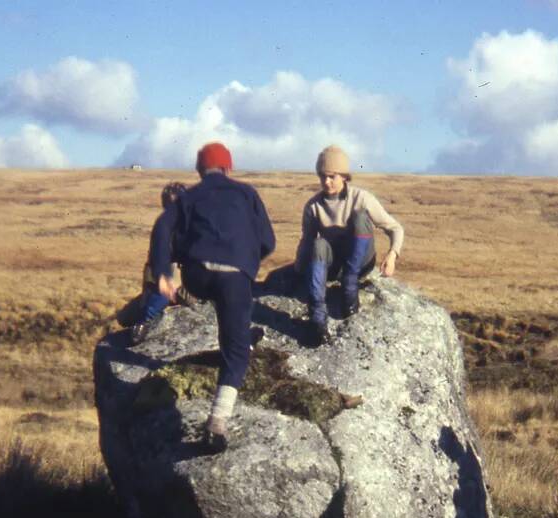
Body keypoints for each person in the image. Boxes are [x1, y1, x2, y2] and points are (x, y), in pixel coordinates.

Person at [143, 141, 275, 452]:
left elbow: (162, 228)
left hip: (197, 276)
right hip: (234, 277)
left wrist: (164, 272)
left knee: (215, 298)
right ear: (229, 168)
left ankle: (229, 323)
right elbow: (268, 241)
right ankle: (217, 422)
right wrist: (246, 259)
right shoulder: (247, 193)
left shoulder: (190, 196)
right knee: (237, 352)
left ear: (200, 171)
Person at [295, 145, 404, 345]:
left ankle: (350, 287)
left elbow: (395, 228)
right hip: (334, 266)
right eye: (322, 176)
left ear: (344, 176)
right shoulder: (313, 206)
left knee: (361, 218)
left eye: (332, 176)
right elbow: (307, 242)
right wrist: (299, 270)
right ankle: (318, 319)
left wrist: (392, 255)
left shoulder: (361, 198)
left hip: (360, 263)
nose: (326, 182)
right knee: (318, 244)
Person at [122, 181, 189, 331]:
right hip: (166, 284)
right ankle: (143, 324)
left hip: (184, 284)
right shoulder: (168, 226)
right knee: (156, 301)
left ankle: (142, 321)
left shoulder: (182, 226)